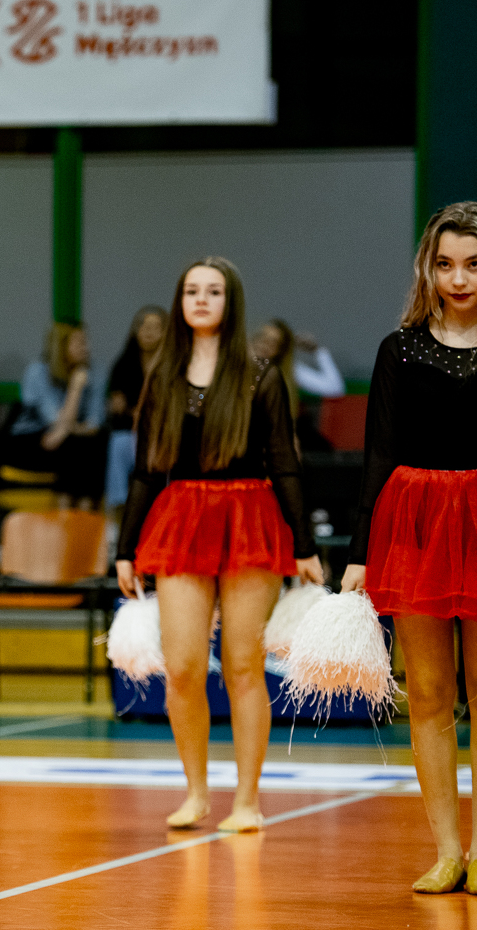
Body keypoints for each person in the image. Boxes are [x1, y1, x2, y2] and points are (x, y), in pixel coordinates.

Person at [342, 202, 477, 896]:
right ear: (427, 271)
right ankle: (445, 851)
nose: (458, 278)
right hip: (414, 524)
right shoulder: (399, 349)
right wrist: (359, 552)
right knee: (430, 694)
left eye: (472, 264)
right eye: (444, 264)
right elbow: (378, 455)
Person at [116, 256, 322, 833]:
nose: (201, 299)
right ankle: (196, 794)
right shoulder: (161, 376)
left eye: (213, 291)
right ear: (180, 302)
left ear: (231, 303)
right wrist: (125, 549)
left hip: (249, 516)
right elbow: (145, 471)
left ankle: (248, 801)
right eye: (191, 291)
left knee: (243, 666)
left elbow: (284, 464)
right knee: (183, 668)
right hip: (181, 517)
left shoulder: (260, 376)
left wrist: (304, 544)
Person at [6, 321, 107, 506]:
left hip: (67, 440)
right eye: (80, 343)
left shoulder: (95, 371)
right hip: (31, 439)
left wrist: (66, 431)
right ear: (61, 346)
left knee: (89, 444)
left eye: (86, 341)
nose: (86, 348)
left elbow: (95, 422)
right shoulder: (37, 372)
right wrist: (75, 388)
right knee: (75, 446)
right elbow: (54, 420)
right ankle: (66, 510)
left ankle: (84, 510)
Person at [105, 305, 167, 511]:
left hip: (164, 433)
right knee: (119, 444)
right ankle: (118, 508)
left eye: (155, 327)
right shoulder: (123, 364)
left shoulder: (173, 365)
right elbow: (117, 406)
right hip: (131, 431)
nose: (148, 332)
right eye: (143, 326)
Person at [250, 319, 346, 399]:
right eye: (261, 337)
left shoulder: (285, 370)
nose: (264, 345)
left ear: (280, 351)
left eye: (273, 342)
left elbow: (335, 389)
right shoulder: (242, 362)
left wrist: (317, 351)